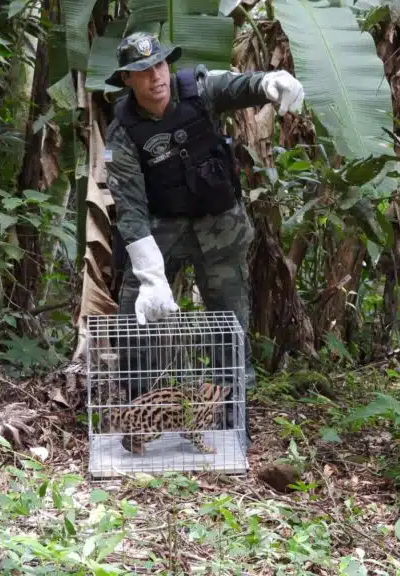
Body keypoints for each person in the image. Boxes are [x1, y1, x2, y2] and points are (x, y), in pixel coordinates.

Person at [101, 32, 304, 437]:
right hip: (161, 230)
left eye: (159, 65)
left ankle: (232, 423)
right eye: (142, 71)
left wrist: (268, 83)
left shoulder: (196, 89)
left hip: (219, 228)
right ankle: (141, 420)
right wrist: (151, 278)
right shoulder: (122, 132)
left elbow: (236, 86)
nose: (155, 76)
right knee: (136, 317)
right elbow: (130, 206)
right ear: (127, 79)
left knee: (229, 323)